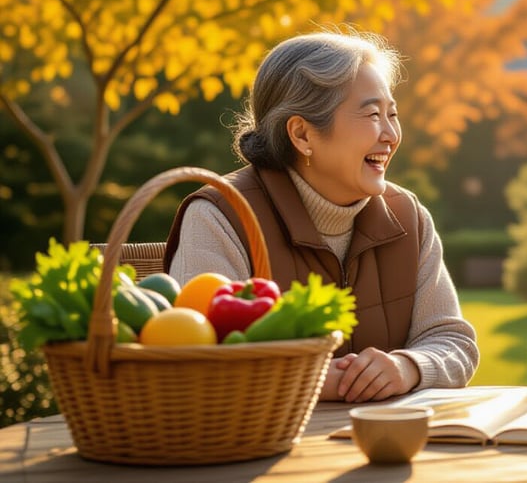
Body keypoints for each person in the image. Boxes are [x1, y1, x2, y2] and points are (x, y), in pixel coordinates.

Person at [165, 30, 479, 403]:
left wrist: (408, 367)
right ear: (301, 134)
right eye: (372, 115)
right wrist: (307, 378)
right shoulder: (220, 217)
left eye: (392, 114)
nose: (391, 134)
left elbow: (453, 340)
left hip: (380, 446)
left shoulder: (407, 217)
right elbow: (198, 363)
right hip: (264, 449)